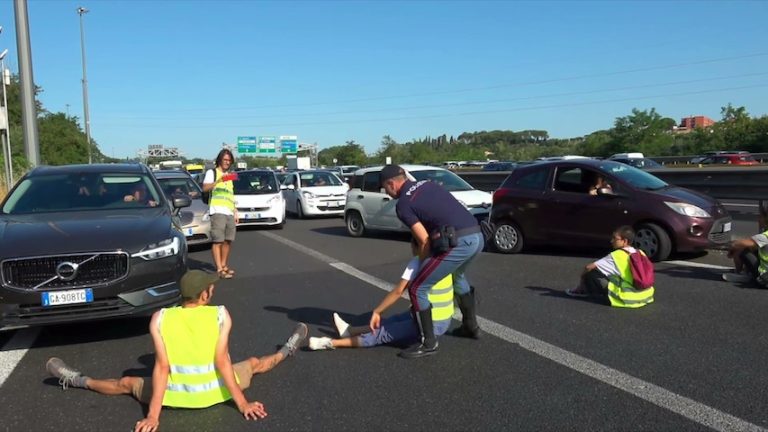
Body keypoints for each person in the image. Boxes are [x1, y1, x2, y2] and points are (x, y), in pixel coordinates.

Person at [45, 269, 308, 432]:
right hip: (216, 391)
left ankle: (77, 379)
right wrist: (242, 403)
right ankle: (287, 349)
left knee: (124, 383)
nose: (212, 288)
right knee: (253, 363)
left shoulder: (160, 318)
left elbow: (162, 367)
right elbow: (222, 362)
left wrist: (153, 416)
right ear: (204, 295)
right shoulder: (220, 315)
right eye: (210, 287)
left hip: (175, 396)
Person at [379, 164, 483, 359]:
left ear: (391, 183)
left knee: (417, 288)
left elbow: (424, 239)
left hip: (459, 242)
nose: (386, 192)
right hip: (477, 235)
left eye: (385, 187)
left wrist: (421, 265)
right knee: (457, 277)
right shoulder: (428, 185)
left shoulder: (403, 204)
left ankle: (428, 343)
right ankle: (471, 327)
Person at [307, 239, 454, 351]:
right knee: (395, 320)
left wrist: (377, 311)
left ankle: (329, 343)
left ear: (417, 246)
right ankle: (350, 331)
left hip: (429, 324)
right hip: (443, 320)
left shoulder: (417, 262)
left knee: (381, 334)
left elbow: (398, 292)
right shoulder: (445, 260)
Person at [565, 225, 655, 307]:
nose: (611, 241)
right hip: (646, 295)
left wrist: (581, 284)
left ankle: (581, 291)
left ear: (625, 241)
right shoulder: (640, 252)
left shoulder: (617, 255)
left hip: (628, 297)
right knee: (611, 272)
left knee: (591, 273)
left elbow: (588, 267)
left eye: (615, 238)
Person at [203, 149, 239, 279]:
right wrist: (218, 181)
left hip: (229, 211)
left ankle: (224, 265)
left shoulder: (229, 176)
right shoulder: (211, 173)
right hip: (217, 211)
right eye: (225, 160)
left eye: (229, 161)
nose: (227, 162)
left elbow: (230, 194)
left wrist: (235, 211)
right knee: (218, 240)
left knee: (228, 240)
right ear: (219, 160)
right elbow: (205, 188)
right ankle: (219, 269)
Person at [722, 202, 768, 286]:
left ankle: (740, 273)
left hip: (764, 278)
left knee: (741, 248)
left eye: (760, 217)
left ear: (766, 219)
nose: (758, 219)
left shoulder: (764, 237)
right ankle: (747, 272)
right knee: (753, 248)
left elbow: (737, 244)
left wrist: (732, 249)